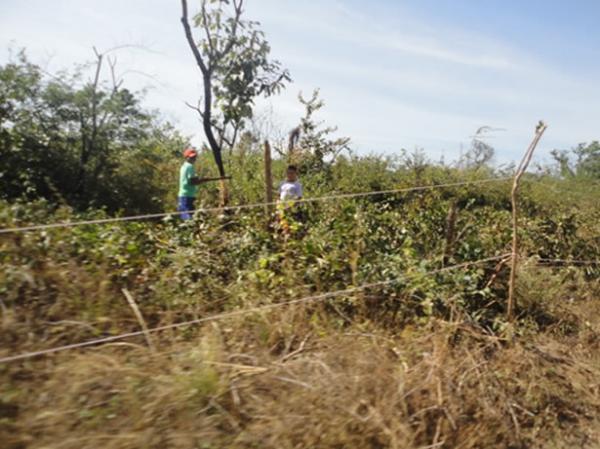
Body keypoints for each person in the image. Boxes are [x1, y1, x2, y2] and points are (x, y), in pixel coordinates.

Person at [177, 148, 204, 220]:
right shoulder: (190, 166)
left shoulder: (183, 166)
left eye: (194, 157)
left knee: (187, 216)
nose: (193, 158)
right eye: (191, 157)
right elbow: (193, 181)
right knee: (188, 218)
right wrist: (203, 180)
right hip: (187, 195)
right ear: (186, 157)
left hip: (184, 195)